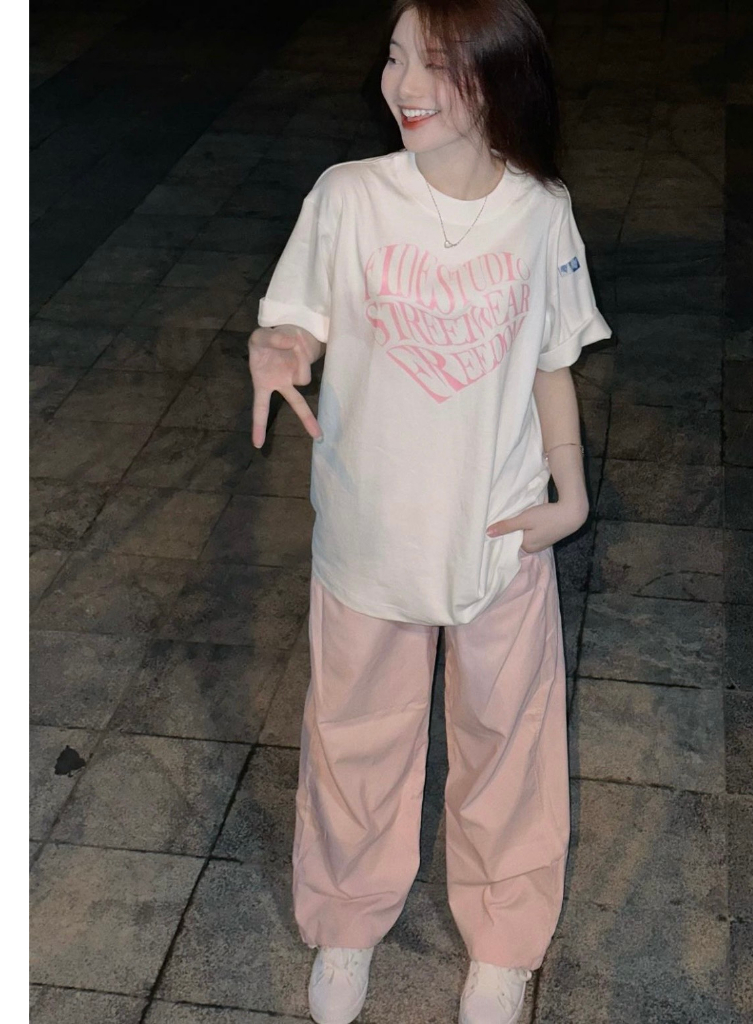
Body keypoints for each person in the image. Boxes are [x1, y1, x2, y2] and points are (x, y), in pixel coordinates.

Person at [248, 2, 610, 1021]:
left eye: (436, 65)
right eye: (396, 57)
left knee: (510, 741)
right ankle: (346, 919)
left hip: (499, 532)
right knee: (354, 734)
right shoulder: (349, 196)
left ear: (497, 77)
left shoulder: (540, 211)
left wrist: (570, 492)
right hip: (369, 529)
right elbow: (298, 320)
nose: (402, 86)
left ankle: (503, 941)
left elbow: (550, 360)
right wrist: (278, 348)